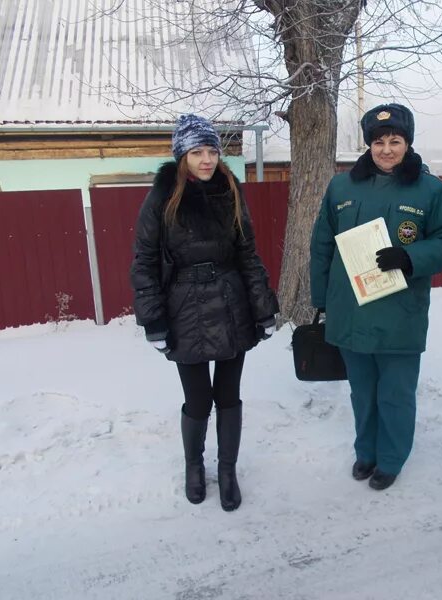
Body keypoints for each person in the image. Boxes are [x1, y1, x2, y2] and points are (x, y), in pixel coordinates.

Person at [310, 103, 442, 491]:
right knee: (362, 392)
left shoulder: (430, 189)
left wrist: (411, 257)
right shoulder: (341, 187)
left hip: (400, 312)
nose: (386, 149)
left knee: (395, 393)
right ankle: (366, 452)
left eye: (395, 141)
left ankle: (392, 459)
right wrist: (321, 297)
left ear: (407, 143)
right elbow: (321, 243)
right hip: (352, 310)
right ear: (368, 145)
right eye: (378, 141)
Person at [130, 114, 279, 511]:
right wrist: (154, 320)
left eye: (212, 150)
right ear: (182, 154)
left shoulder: (230, 188)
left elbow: (247, 252)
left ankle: (227, 470)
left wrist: (263, 308)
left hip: (232, 304)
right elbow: (144, 260)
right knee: (198, 399)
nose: (207, 159)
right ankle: (193, 467)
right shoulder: (163, 195)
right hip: (184, 309)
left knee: (229, 396)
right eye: (197, 151)